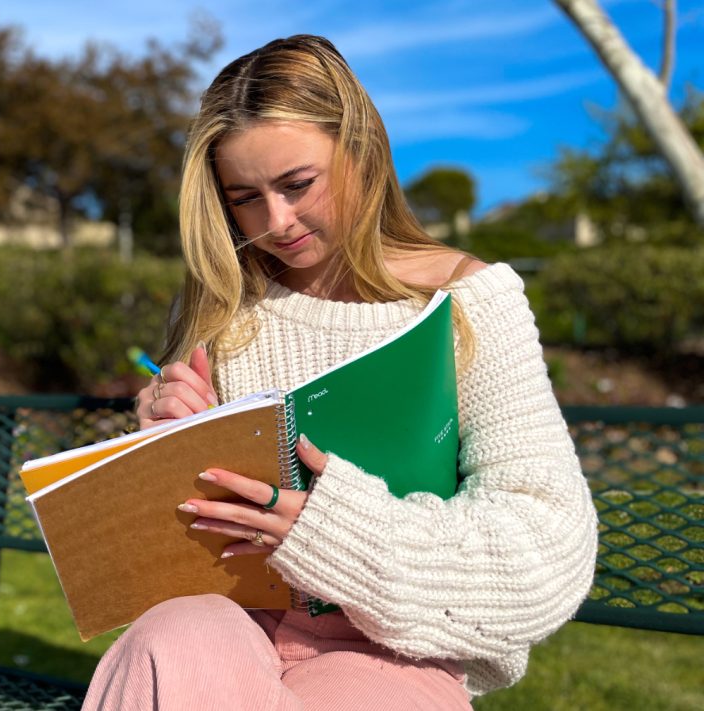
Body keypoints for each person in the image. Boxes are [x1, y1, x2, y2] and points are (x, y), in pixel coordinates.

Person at [82, 35, 597, 710]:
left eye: (298, 185)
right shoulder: (218, 307)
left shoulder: (466, 303)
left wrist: (332, 534)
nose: (276, 221)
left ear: (361, 149)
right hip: (230, 615)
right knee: (168, 641)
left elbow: (548, 549)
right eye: (244, 197)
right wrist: (156, 445)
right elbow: (155, 549)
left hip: (388, 647)